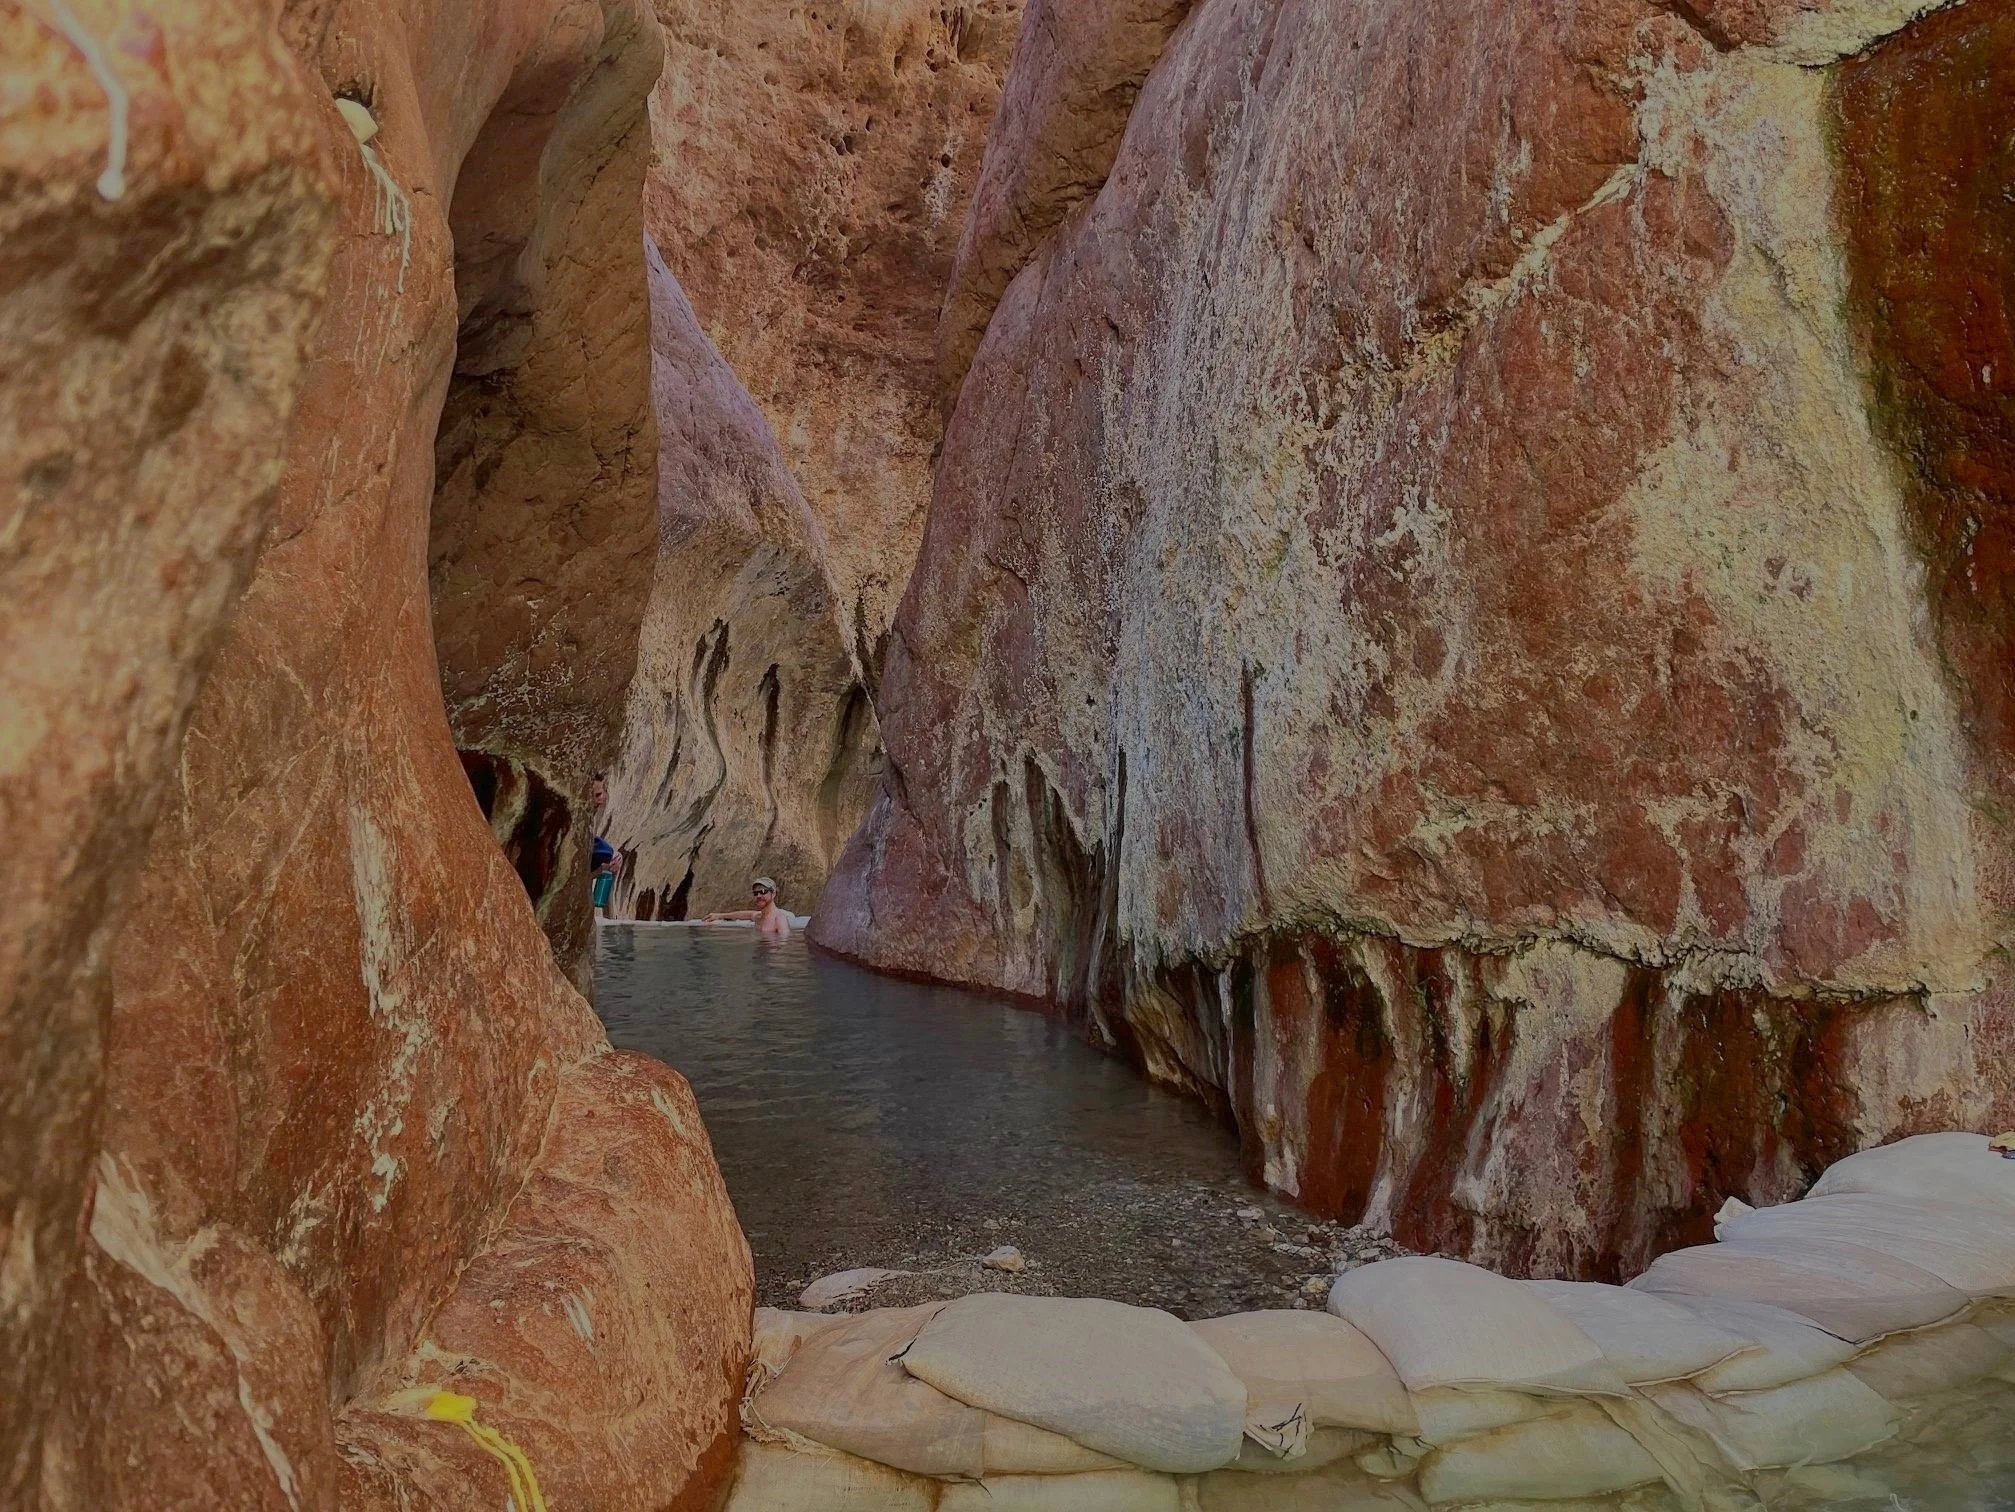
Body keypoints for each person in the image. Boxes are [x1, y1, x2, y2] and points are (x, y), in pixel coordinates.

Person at [704, 877, 793, 937]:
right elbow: (743, 914)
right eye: (755, 893)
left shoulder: (779, 920)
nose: (758, 896)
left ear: (773, 894)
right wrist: (719, 916)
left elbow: (783, 948)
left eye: (763, 891)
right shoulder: (759, 917)